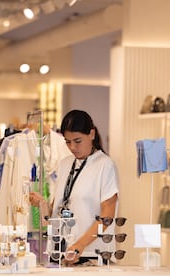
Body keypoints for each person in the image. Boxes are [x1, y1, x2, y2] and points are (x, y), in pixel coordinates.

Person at [29, 109, 119, 265]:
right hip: (60, 254)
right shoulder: (65, 164)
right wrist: (43, 205)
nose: (72, 147)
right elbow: (57, 212)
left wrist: (79, 246)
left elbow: (107, 218)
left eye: (77, 141)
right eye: (67, 142)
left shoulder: (105, 166)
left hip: (90, 257)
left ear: (91, 134)